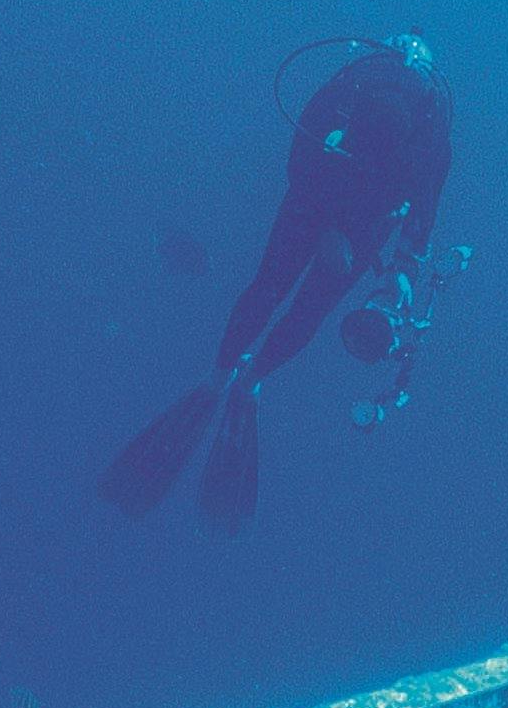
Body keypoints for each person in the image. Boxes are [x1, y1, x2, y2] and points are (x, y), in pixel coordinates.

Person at [102, 33, 454, 531]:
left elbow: (408, 200)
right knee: (293, 299)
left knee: (280, 292)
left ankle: (233, 373)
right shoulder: (390, 105)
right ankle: (245, 375)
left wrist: (373, 249)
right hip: (339, 212)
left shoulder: (392, 109)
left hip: (338, 210)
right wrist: (366, 249)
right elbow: (404, 203)